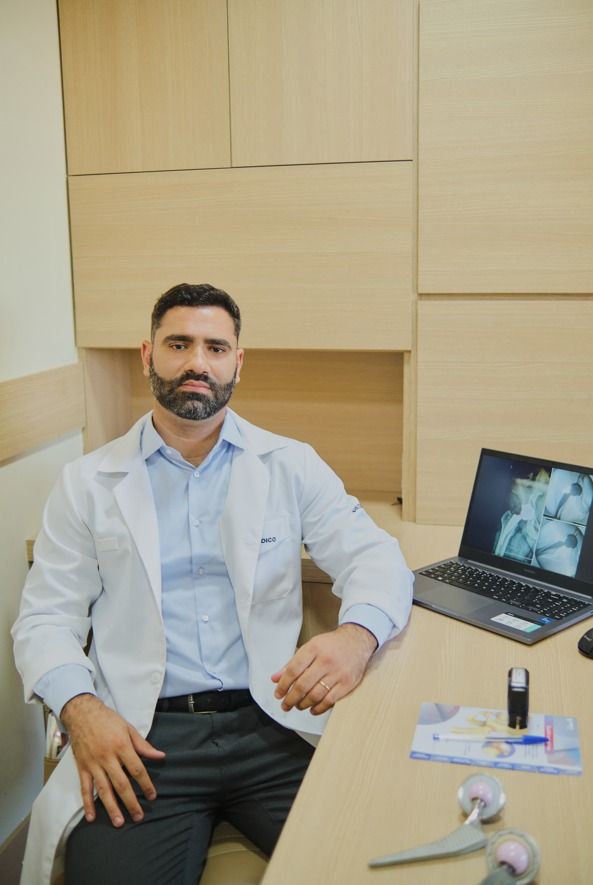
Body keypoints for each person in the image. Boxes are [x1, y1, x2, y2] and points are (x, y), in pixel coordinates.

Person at [12, 283, 413, 885]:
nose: (197, 362)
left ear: (237, 362)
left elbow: (375, 557)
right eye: (179, 344)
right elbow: (45, 620)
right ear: (147, 356)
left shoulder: (289, 463)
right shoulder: (87, 483)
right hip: (144, 738)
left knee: (373, 860)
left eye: (215, 348)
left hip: (272, 722)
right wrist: (80, 710)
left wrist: (356, 638)